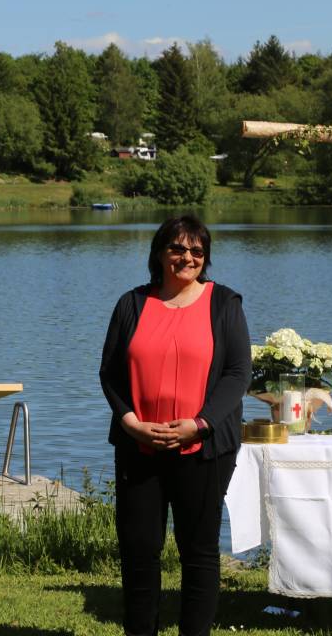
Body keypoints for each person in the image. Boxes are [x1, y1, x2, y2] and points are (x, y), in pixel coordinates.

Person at [98, 215, 250, 636]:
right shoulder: (131, 304)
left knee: (198, 552)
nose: (188, 257)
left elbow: (238, 374)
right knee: (139, 552)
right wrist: (132, 424)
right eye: (178, 249)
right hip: (138, 446)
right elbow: (110, 373)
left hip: (203, 449)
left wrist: (199, 424)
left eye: (197, 251)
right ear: (160, 253)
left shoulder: (224, 304)